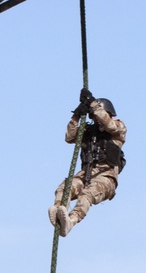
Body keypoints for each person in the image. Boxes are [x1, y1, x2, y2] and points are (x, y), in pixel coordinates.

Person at [48, 90, 127, 236]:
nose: (96, 120)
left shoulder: (118, 128)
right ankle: (60, 211)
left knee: (87, 195)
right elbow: (69, 137)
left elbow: (109, 125)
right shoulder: (89, 132)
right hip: (86, 174)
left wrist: (93, 104)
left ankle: (71, 221)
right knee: (64, 188)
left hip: (105, 177)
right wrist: (76, 116)